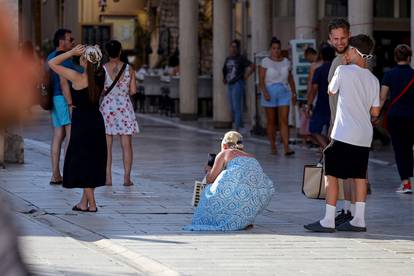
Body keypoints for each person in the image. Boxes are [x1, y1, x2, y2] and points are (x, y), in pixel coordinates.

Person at [305, 35, 380, 233]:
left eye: (348, 50)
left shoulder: (342, 70)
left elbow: (331, 90)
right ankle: (359, 220)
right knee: (359, 176)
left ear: (355, 51)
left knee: (331, 175)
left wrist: (344, 67)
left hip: (344, 133)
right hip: (364, 136)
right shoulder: (373, 79)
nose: (345, 53)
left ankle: (328, 220)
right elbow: (375, 112)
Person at [48, 44, 107, 212]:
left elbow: (52, 63)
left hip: (81, 123)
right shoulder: (100, 75)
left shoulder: (76, 77)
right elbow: (97, 62)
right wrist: (94, 51)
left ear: (84, 60)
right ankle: (83, 203)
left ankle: (93, 204)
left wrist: (71, 52)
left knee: (83, 162)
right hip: (96, 121)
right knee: (92, 161)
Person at [184, 131, 275, 231]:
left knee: (208, 189)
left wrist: (208, 169)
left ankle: (216, 218)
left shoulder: (224, 153)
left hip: (236, 194)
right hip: (257, 197)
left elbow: (210, 179)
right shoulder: (251, 156)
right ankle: (244, 220)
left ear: (224, 145)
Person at [326, 18, 357, 225]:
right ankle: (348, 210)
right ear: (330, 39)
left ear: (349, 36)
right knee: (346, 173)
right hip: (338, 124)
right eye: (335, 38)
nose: (339, 41)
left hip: (348, 125)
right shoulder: (338, 59)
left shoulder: (352, 58)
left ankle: (351, 212)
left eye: (343, 37)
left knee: (350, 173)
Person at [100, 40, 139, 186]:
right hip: (124, 108)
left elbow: (101, 90)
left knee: (106, 146)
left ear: (107, 53)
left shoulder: (102, 69)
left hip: (107, 108)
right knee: (126, 145)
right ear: (120, 51)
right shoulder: (129, 69)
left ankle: (108, 178)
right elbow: (133, 91)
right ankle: (126, 178)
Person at [380, 44, 414, 194]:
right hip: (413, 116)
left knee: (400, 150)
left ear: (395, 58)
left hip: (396, 117)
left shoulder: (389, 75)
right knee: (410, 149)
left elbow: (382, 98)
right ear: (409, 58)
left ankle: (406, 184)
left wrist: (375, 114)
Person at [47, 29, 76, 185]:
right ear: (61, 41)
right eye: (70, 39)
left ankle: (56, 174)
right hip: (63, 99)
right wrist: (71, 103)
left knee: (58, 136)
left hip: (54, 98)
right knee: (70, 135)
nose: (72, 42)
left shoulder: (50, 56)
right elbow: (64, 82)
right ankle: (68, 173)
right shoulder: (62, 58)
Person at [258, 37, 297, 155]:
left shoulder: (286, 61)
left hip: (284, 91)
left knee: (284, 120)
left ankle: (286, 147)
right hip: (269, 92)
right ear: (270, 49)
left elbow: (290, 78)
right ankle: (273, 145)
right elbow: (261, 80)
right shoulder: (265, 62)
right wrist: (264, 92)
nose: (276, 51)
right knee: (271, 121)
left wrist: (294, 93)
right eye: (274, 48)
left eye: (278, 48)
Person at [306, 45, 335, 149]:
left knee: (313, 129)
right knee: (332, 131)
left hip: (321, 105)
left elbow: (314, 89)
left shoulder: (319, 70)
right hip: (335, 105)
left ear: (322, 56)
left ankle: (326, 148)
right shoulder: (339, 70)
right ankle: (330, 149)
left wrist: (308, 105)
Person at [222, 39, 255, 131]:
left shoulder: (241, 58)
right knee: (232, 106)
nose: (233, 48)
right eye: (231, 46)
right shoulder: (228, 59)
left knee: (237, 106)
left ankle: (237, 127)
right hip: (230, 84)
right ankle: (239, 124)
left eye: (235, 47)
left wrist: (246, 75)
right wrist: (224, 78)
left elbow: (252, 66)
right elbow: (224, 69)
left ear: (237, 48)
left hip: (237, 83)